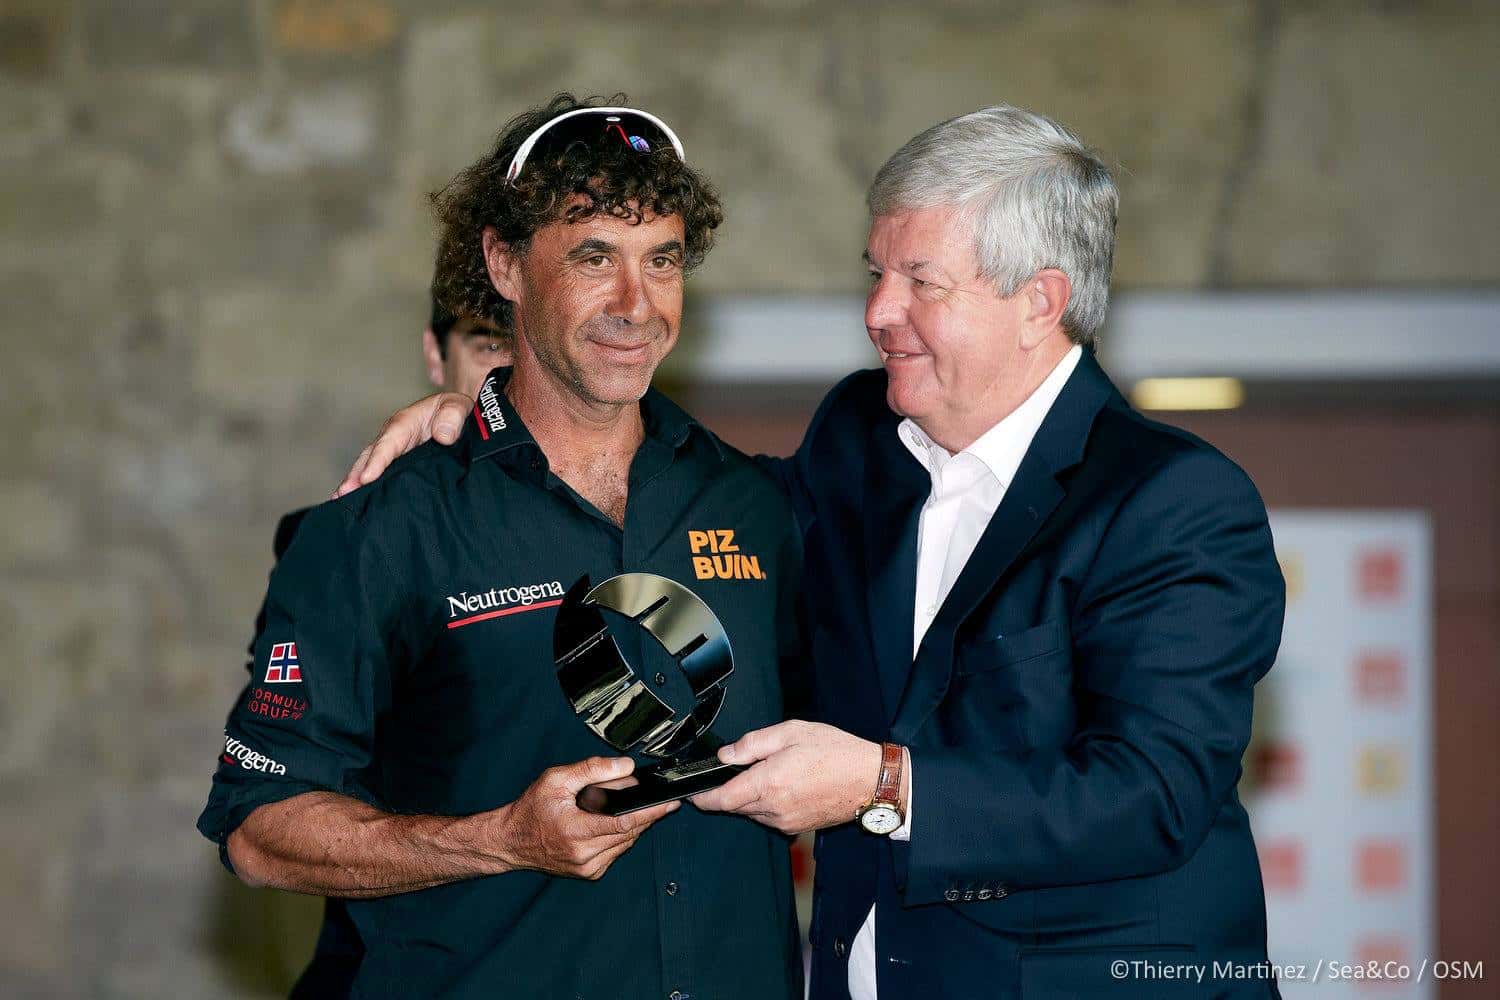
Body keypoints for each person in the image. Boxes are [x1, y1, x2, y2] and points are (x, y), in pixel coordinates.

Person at [334, 105, 1287, 999]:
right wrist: (501, 424)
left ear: (1039, 302)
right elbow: (684, 515)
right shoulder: (859, 439)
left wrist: (882, 784)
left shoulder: (1171, 501)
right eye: (876, 273)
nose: (878, 312)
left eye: (921, 282)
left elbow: (1153, 794)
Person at [201, 94, 804, 999]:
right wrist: (499, 840)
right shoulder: (381, 528)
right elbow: (259, 830)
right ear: (505, 264)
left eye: (663, 260)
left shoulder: (757, 504)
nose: (636, 305)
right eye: (594, 257)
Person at [245, 293, 512, 995]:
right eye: (489, 343)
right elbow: (275, 816)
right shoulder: (354, 545)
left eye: (532, 346)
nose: (514, 371)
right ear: (435, 355)